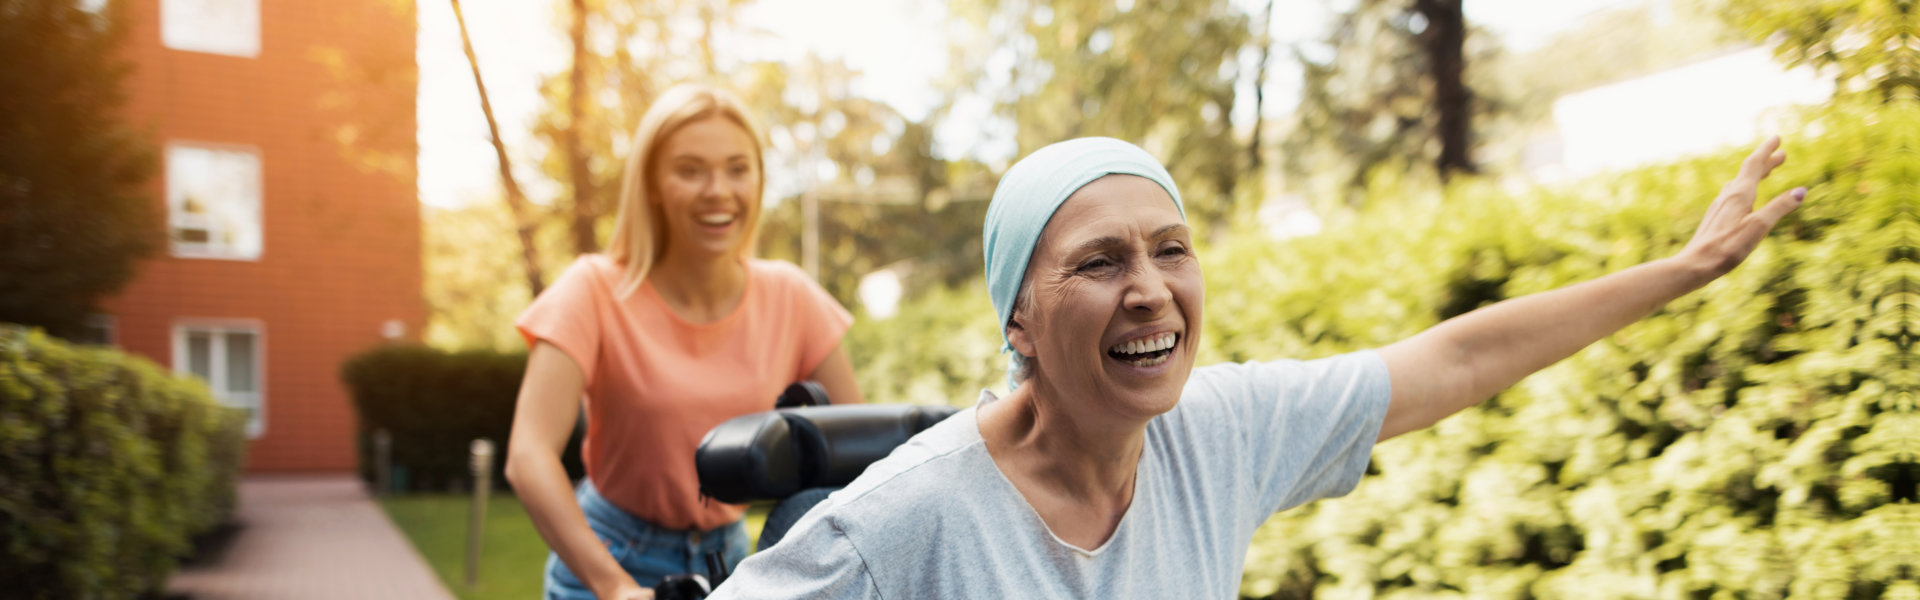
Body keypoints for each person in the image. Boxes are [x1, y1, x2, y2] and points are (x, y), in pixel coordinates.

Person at [707, 136, 1806, 597]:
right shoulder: (904, 522)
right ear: (1021, 325)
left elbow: (1459, 354)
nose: (1148, 287)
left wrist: (1681, 271)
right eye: (1097, 261)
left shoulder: (1221, 429)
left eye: (1169, 248)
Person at [506, 83, 865, 600]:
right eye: (690, 170)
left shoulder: (790, 296)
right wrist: (613, 587)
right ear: (653, 183)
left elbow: (861, 454)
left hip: (734, 561)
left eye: (737, 168)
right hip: (609, 559)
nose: (718, 189)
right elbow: (528, 455)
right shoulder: (592, 290)